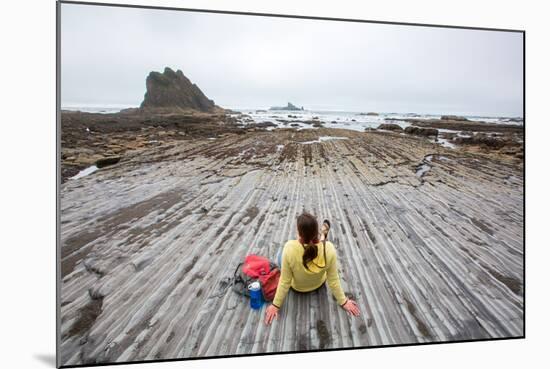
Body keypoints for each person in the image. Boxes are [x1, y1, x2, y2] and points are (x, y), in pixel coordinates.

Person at [264, 212, 360, 325]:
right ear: (316, 231)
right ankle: (324, 234)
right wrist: (343, 301)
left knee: (281, 254)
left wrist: (276, 305)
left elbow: (285, 281)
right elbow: (333, 280)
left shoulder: (289, 247)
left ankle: (321, 234)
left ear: (299, 233)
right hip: (318, 283)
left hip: (297, 287)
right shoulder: (329, 249)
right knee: (323, 244)